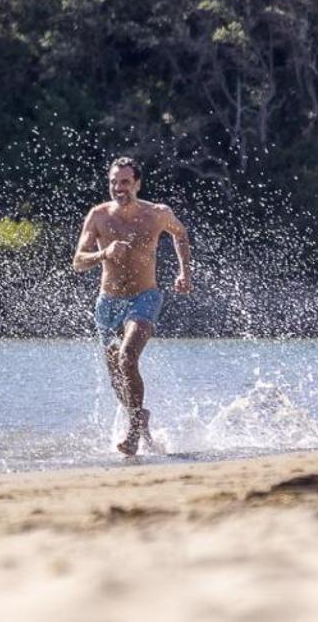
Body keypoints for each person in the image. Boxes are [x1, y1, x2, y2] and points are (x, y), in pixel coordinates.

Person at [72, 156, 195, 457]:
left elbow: (180, 235)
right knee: (116, 376)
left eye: (125, 182)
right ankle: (140, 419)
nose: (119, 188)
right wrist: (104, 254)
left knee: (128, 357)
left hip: (145, 296)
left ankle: (134, 431)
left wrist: (185, 272)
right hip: (108, 303)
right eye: (114, 182)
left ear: (137, 183)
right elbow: (77, 262)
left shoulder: (157, 213)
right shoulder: (98, 216)